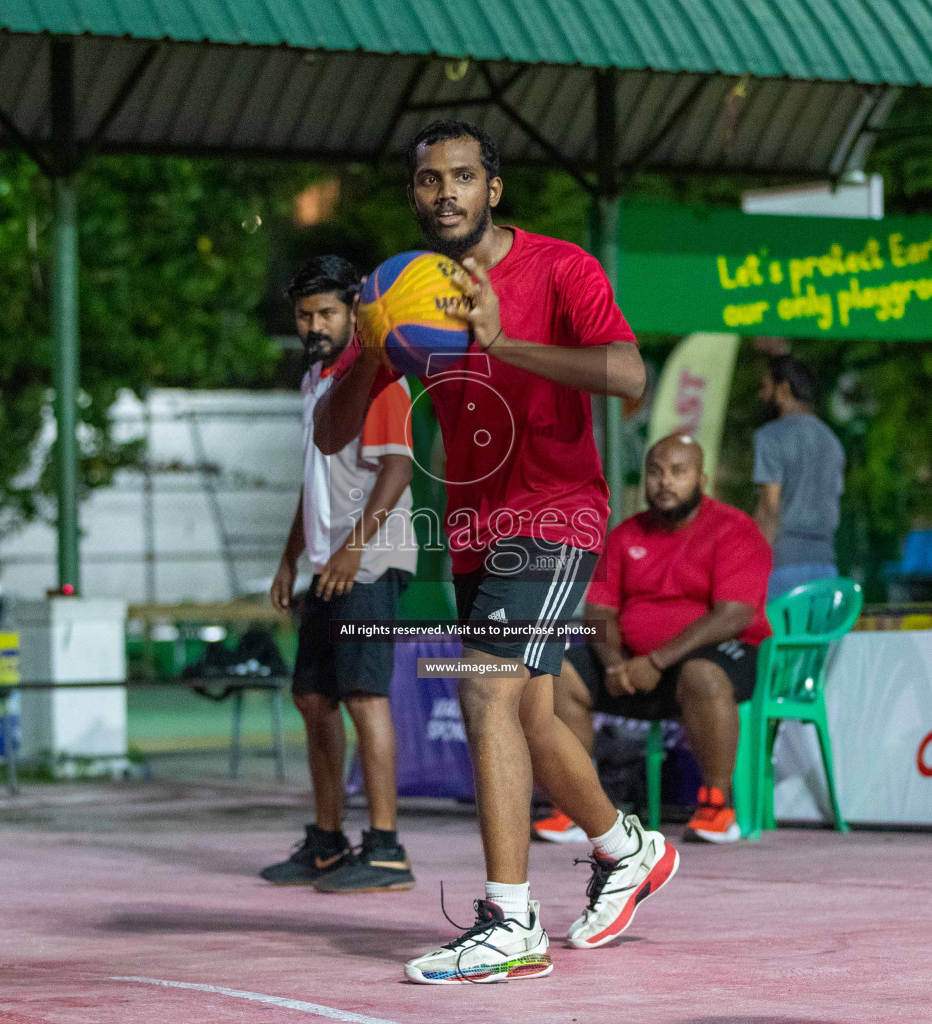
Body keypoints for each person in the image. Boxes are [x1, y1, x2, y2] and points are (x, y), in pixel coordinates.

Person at [314, 120, 672, 984]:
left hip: (554, 515)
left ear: (494, 188)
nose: (446, 194)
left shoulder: (560, 269)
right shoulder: (405, 290)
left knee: (483, 686)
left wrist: (505, 341)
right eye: (430, 181)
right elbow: (332, 433)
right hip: (474, 528)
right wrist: (370, 351)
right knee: (531, 717)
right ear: (415, 196)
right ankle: (627, 851)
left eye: (463, 177)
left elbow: (630, 377)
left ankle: (509, 921)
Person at [263, 255, 419, 895]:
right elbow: (316, 483)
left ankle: (385, 850)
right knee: (313, 698)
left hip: (371, 560)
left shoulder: (379, 378)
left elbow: (397, 470)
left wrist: (355, 548)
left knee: (363, 697)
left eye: (327, 311)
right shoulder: (316, 383)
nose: (314, 324)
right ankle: (327, 841)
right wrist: (290, 554)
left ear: (356, 312)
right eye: (305, 314)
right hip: (328, 565)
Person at [534, 434, 771, 845]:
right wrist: (613, 664)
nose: (665, 482)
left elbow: (734, 613)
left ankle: (718, 806)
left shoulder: (733, 528)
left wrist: (656, 661)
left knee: (702, 674)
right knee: (556, 672)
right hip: (631, 668)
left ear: (703, 478)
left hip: (715, 659)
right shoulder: (626, 534)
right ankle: (575, 807)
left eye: (679, 472)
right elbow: (599, 613)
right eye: (656, 471)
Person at [752, 355, 845, 602]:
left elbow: (770, 509)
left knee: (776, 639)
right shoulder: (832, 440)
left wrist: (750, 565)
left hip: (783, 567)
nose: (762, 395)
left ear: (783, 389)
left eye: (766, 387)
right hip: (826, 567)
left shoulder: (770, 436)